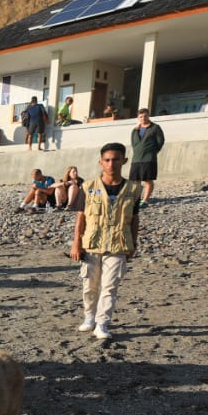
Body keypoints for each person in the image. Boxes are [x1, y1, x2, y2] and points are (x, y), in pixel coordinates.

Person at [70, 144, 142, 340]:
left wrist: (133, 243)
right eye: (107, 160)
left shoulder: (134, 189)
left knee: (110, 286)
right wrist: (76, 243)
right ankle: (89, 317)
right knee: (90, 285)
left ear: (124, 161)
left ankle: (103, 323)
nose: (112, 164)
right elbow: (80, 218)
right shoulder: (88, 187)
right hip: (92, 243)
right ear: (101, 162)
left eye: (116, 159)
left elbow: (134, 218)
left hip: (119, 244)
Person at [129, 108, 166, 203]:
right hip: (136, 159)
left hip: (149, 159)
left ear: (148, 115)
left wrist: (153, 152)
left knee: (147, 180)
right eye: (141, 116)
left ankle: (145, 199)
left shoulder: (155, 128)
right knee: (135, 181)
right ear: (138, 117)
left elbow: (160, 141)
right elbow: (133, 144)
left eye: (145, 116)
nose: (143, 118)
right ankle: (136, 199)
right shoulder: (135, 130)